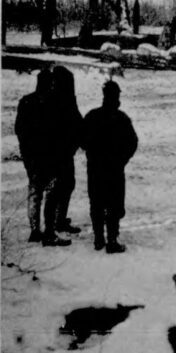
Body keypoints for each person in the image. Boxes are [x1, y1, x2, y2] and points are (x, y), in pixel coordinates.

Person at [15, 68, 70, 246]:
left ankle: (34, 230)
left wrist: (26, 152)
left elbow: (20, 130)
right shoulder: (55, 103)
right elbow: (60, 132)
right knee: (51, 194)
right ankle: (49, 232)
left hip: (32, 157)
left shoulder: (26, 102)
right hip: (50, 157)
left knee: (34, 193)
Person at [82, 80, 138, 253]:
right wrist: (122, 159)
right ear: (117, 97)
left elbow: (82, 140)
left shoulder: (92, 116)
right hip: (114, 168)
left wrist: (93, 154)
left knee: (96, 202)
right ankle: (112, 240)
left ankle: (99, 238)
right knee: (114, 204)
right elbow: (132, 142)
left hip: (96, 168)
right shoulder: (121, 118)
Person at [51, 66, 83, 235]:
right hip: (64, 151)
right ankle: (58, 221)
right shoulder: (67, 101)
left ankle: (57, 219)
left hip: (56, 149)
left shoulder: (50, 99)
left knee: (59, 186)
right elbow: (77, 122)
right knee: (65, 185)